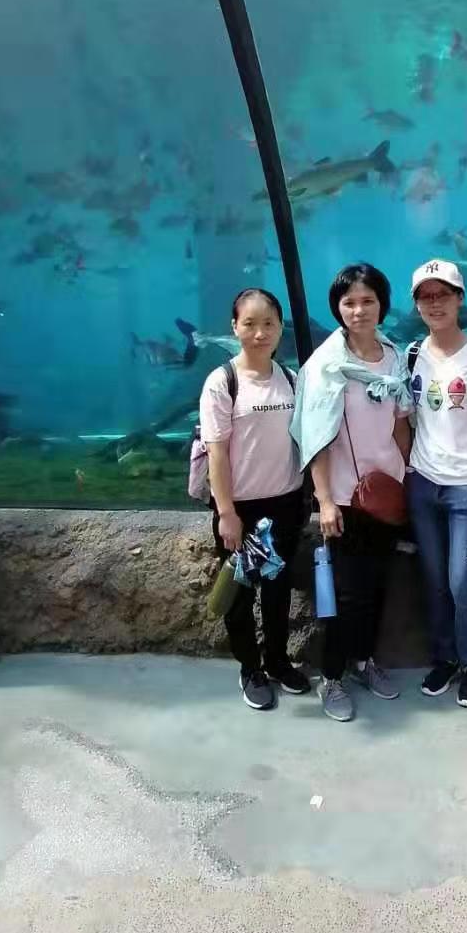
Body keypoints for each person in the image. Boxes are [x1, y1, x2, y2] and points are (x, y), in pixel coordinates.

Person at [291, 263, 413, 723]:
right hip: (343, 498)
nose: (359, 310)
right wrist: (323, 501)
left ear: (383, 304)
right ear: (337, 308)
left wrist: (406, 479)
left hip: (386, 494)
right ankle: (332, 677)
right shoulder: (326, 366)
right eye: (349, 303)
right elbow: (316, 437)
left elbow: (400, 424)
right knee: (343, 595)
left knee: (377, 586)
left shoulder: (394, 356)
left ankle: (364, 661)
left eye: (368, 301)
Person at [199, 287, 310, 711]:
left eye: (268, 324)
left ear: (281, 328)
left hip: (284, 504)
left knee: (278, 589)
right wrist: (226, 512)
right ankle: (250, 668)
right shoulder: (222, 382)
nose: (260, 333)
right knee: (241, 593)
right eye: (250, 324)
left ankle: (278, 661)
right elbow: (217, 453)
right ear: (234, 327)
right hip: (241, 509)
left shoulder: (291, 379)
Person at [405, 259, 467, 709]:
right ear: (416, 304)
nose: (435, 303)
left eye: (443, 294)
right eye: (426, 296)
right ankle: (445, 658)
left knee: (463, 581)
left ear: (460, 298)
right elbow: (408, 418)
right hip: (423, 482)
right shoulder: (412, 354)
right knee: (434, 580)